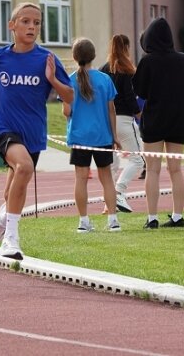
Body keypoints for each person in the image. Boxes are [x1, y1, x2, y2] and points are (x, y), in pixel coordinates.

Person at [0, 2, 74, 260]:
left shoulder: (46, 59)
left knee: (11, 192)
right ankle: (11, 239)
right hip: (3, 127)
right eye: (26, 21)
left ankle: (1, 219)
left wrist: (53, 80)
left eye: (37, 23)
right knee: (25, 167)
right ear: (12, 25)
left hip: (32, 132)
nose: (32, 27)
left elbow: (70, 96)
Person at [132, 18, 184, 229]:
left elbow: (140, 91)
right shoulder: (183, 60)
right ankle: (178, 216)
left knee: (153, 169)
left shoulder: (148, 61)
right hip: (179, 119)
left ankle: (152, 217)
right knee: (176, 170)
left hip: (155, 119)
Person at [64, 38, 121, 232]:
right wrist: (114, 135)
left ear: (74, 56)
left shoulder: (69, 81)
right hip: (102, 136)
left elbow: (66, 111)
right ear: (94, 56)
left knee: (80, 178)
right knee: (106, 178)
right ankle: (113, 220)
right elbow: (111, 110)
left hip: (79, 137)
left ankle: (83, 221)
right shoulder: (105, 79)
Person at [99, 34, 144, 213]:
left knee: (112, 163)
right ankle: (118, 191)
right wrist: (140, 115)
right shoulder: (127, 69)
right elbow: (129, 97)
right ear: (126, 48)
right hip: (123, 119)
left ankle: (108, 203)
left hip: (106, 120)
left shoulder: (103, 69)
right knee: (138, 160)